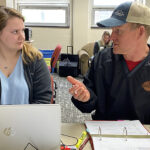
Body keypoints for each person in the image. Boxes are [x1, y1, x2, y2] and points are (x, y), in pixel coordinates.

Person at [67, 1, 150, 124]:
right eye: (112, 30)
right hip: (104, 135)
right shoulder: (102, 60)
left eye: (118, 31)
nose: (111, 37)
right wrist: (85, 97)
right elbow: (90, 101)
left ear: (140, 31)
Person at [0, 6, 52, 104]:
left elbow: (43, 99)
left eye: (23, 30)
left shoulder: (34, 59)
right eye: (15, 32)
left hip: (28, 119)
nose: (22, 37)